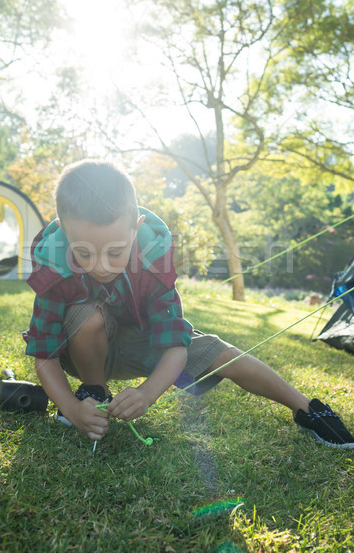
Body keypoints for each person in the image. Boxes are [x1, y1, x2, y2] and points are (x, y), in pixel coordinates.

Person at [23, 159, 354, 449]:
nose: (101, 265)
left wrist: (146, 393)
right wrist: (68, 406)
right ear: (64, 233)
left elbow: (176, 347)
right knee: (87, 313)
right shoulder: (53, 264)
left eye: (115, 251)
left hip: (143, 344)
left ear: (135, 229)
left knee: (218, 351)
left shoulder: (153, 255)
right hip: (83, 352)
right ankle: (94, 392)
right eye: (84, 253)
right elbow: (45, 355)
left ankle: (307, 408)